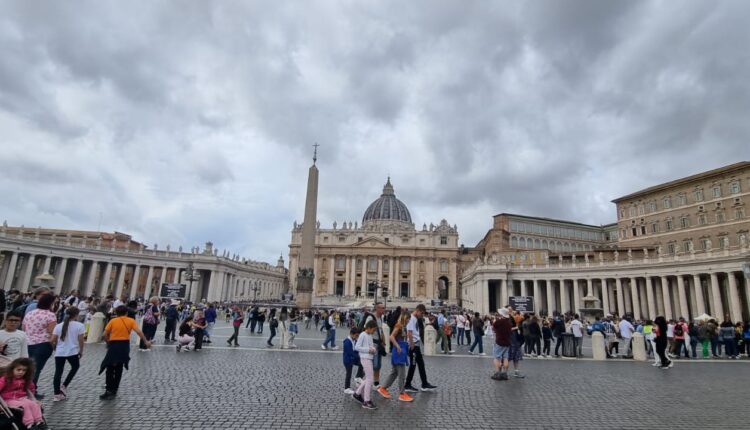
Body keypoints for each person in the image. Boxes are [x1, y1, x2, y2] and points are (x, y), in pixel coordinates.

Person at [99, 305, 151, 400]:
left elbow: (104, 335)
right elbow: (139, 332)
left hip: (114, 345)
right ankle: (114, 389)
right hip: (124, 345)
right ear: (126, 313)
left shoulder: (113, 321)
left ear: (117, 313)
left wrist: (108, 342)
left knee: (109, 367)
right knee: (119, 367)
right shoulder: (131, 321)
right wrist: (146, 341)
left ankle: (108, 390)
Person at [22, 293, 56, 400]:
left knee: (26, 368)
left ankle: (23, 389)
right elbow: (51, 332)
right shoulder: (50, 315)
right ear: (50, 303)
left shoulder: (30, 313)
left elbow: (23, 328)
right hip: (42, 344)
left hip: (27, 343)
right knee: (36, 369)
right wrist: (53, 345)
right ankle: (31, 391)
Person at [0, 358, 48, 430]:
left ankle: (39, 421)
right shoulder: (5, 379)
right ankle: (29, 423)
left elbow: (31, 389)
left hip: (21, 398)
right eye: (18, 370)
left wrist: (34, 398)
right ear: (12, 369)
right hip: (9, 399)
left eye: (24, 370)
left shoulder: (24, 380)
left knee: (34, 404)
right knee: (25, 405)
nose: (21, 372)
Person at [49, 307, 85, 401]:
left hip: (60, 351)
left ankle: (56, 394)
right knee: (75, 367)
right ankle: (64, 385)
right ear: (76, 315)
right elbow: (81, 340)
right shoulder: (79, 325)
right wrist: (81, 350)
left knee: (58, 372)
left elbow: (52, 340)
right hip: (72, 351)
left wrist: (54, 348)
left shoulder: (59, 325)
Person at [378, 311, 413, 402]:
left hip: (401, 350)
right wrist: (397, 346)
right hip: (399, 351)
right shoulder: (399, 325)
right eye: (408, 319)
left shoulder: (402, 326)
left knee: (394, 373)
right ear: (405, 317)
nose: (409, 321)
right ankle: (402, 393)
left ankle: (383, 388)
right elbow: (391, 337)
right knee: (401, 374)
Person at [404, 304, 437, 392]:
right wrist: (411, 345)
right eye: (421, 313)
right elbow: (409, 333)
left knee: (421, 365)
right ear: (417, 310)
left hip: (416, 345)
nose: (422, 315)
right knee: (413, 365)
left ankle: (424, 383)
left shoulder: (415, 319)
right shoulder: (411, 319)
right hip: (413, 345)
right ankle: (407, 384)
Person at [352, 320, 378, 410]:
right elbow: (357, 347)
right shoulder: (363, 334)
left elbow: (370, 346)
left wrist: (373, 349)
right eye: (373, 330)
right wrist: (368, 349)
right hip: (365, 358)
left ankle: (357, 393)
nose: (374, 332)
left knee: (368, 379)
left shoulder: (369, 335)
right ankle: (366, 401)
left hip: (368, 357)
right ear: (369, 328)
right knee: (370, 379)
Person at [490, 309, 512, 380]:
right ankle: (505, 373)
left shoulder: (499, 321)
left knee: (497, 357)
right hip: (507, 342)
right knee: (505, 358)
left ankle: (498, 373)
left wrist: (496, 320)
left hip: (499, 342)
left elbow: (493, 327)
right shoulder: (509, 322)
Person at [342, 327, 364, 395]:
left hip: (352, 359)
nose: (357, 337)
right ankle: (346, 388)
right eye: (356, 336)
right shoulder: (347, 342)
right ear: (351, 334)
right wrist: (359, 356)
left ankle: (358, 377)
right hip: (348, 360)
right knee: (349, 374)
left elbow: (355, 350)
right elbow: (351, 353)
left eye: (358, 336)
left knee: (362, 364)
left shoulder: (353, 340)